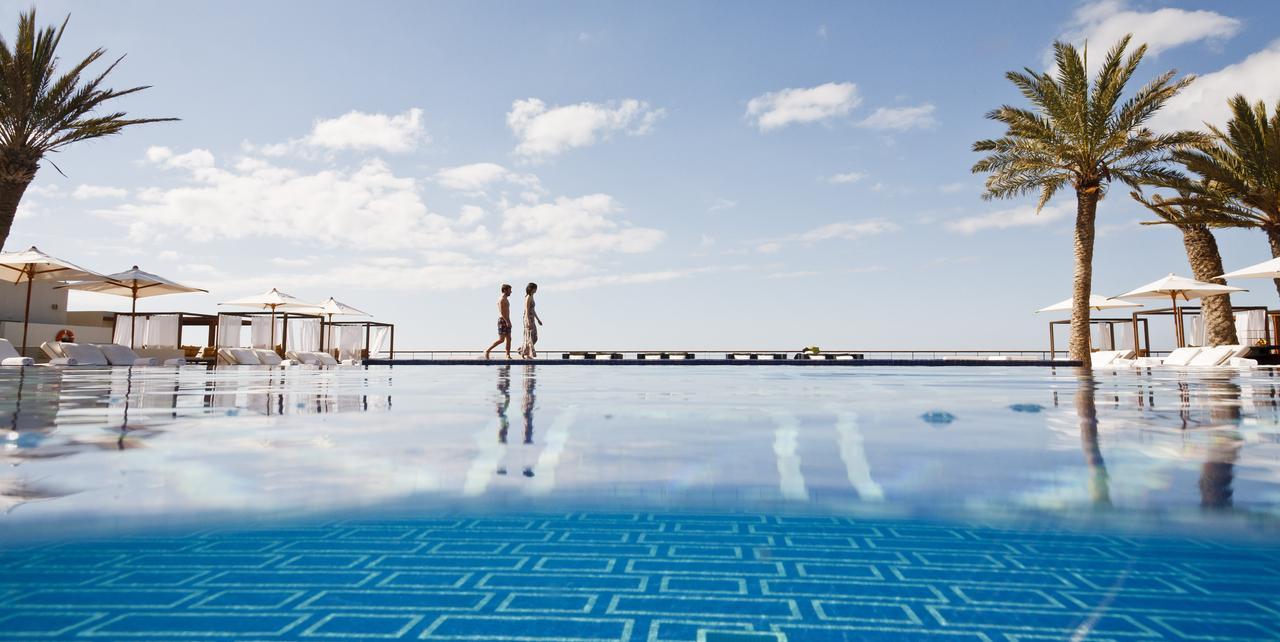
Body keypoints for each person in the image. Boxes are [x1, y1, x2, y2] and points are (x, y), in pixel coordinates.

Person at [484, 284, 513, 359]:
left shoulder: (505, 299)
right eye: (510, 290)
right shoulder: (502, 299)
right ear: (505, 290)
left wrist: (508, 320)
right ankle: (487, 351)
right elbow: (502, 311)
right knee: (501, 339)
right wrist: (507, 321)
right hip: (503, 320)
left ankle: (507, 355)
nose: (511, 292)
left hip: (506, 319)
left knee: (509, 338)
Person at [518, 282, 543, 359]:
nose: (536, 290)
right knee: (529, 337)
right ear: (532, 289)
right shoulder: (528, 297)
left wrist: (538, 319)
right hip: (527, 318)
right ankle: (527, 354)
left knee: (534, 337)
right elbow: (527, 310)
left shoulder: (532, 296)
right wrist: (528, 320)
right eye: (535, 288)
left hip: (532, 318)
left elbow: (533, 310)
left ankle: (522, 351)